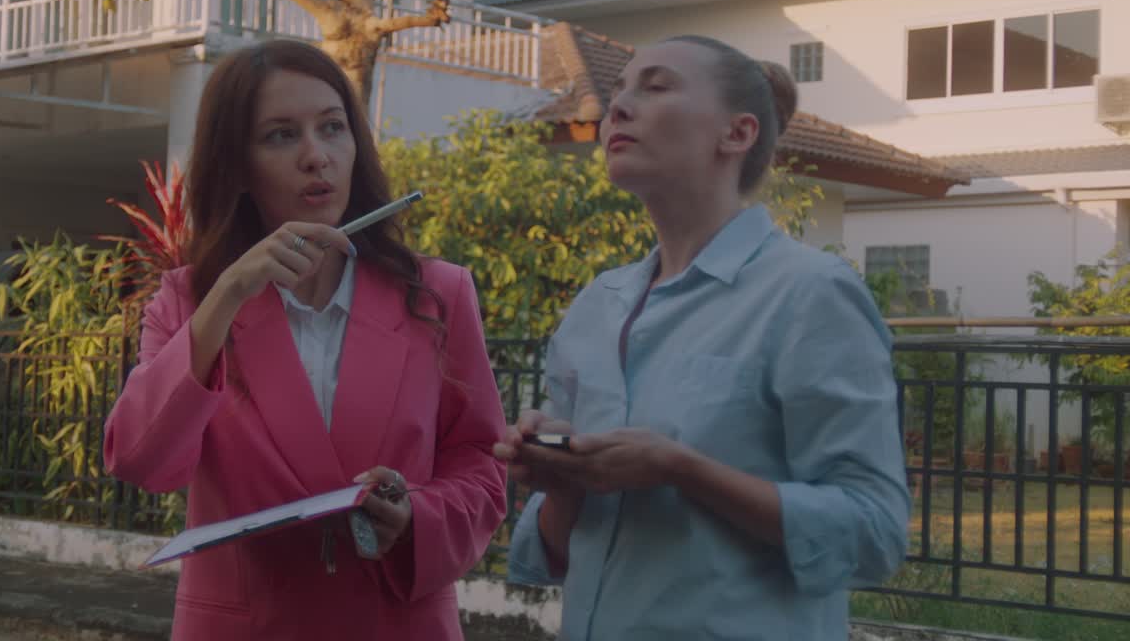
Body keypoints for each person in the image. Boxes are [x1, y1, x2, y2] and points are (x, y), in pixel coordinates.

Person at [495, 35, 911, 640]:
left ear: (736, 134)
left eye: (656, 87)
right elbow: (558, 556)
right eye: (619, 92)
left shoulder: (809, 293)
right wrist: (561, 481)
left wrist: (681, 469)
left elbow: (874, 534)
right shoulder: (597, 306)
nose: (618, 107)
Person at [104, 39, 507, 640]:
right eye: (281, 136)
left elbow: (480, 462)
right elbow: (142, 462)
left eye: (332, 128)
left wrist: (415, 516)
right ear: (237, 165)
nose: (317, 156)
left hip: (396, 621)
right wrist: (227, 295)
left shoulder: (436, 294)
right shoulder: (191, 301)